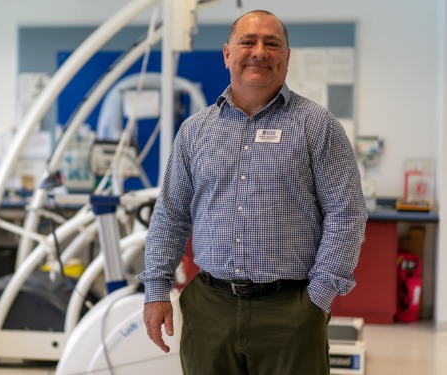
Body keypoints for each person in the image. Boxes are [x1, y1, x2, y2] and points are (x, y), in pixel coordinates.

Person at [138, 9, 368, 375]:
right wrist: (156, 290)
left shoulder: (318, 126)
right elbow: (171, 214)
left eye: (272, 43)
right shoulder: (195, 131)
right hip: (209, 309)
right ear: (228, 54)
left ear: (287, 58)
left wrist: (318, 298)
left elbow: (347, 214)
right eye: (248, 41)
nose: (259, 51)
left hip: (291, 310)